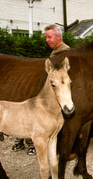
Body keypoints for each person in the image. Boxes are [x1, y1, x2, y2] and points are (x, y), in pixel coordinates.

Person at [12, 24, 71, 155]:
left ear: (58, 36)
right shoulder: (56, 52)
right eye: (46, 38)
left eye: (49, 37)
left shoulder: (63, 52)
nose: (47, 40)